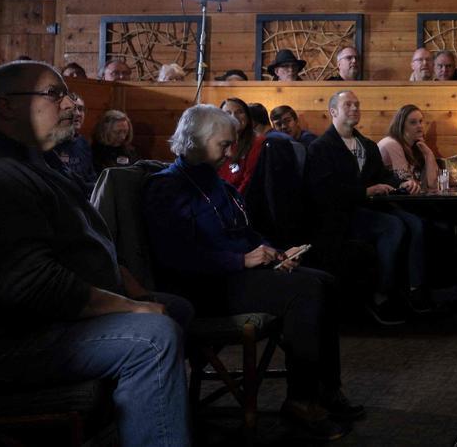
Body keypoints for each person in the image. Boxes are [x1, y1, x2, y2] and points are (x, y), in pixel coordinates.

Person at [0, 61, 190, 447]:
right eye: (55, 94)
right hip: (1, 343)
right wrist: (132, 309)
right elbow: (34, 286)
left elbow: (88, 243)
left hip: (47, 322)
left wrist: (137, 295)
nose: (72, 104)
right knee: (153, 337)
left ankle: (150, 419)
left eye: (68, 95)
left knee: (175, 307)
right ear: (6, 106)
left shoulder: (34, 158)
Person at [143, 104, 359, 440]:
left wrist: (274, 254)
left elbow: (244, 234)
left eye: (232, 144)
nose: (231, 152)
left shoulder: (216, 184)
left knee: (325, 281)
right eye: (223, 145)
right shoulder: (167, 187)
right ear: (195, 141)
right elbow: (175, 256)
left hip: (234, 276)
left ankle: (325, 388)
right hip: (202, 288)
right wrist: (241, 261)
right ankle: (301, 399)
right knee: (306, 291)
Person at [304, 91, 431, 324]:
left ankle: (410, 292)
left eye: (357, 104)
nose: (354, 108)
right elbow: (323, 190)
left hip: (369, 209)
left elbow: (381, 176)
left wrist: (402, 182)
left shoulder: (367, 145)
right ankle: (380, 295)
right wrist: (364, 191)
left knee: (414, 223)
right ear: (333, 111)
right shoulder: (320, 147)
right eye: (348, 104)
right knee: (392, 226)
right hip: (339, 215)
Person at [377, 105, 439, 192]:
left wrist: (428, 154)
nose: (420, 126)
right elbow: (408, 185)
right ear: (401, 126)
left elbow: (433, 185)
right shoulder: (391, 144)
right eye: (413, 122)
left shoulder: (416, 147)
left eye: (420, 121)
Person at [52, 92, 97, 193]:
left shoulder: (83, 143)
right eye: (71, 109)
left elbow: (91, 178)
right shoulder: (48, 144)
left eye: (80, 109)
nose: (77, 114)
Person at [218, 97, 265, 194]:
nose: (234, 117)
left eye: (239, 112)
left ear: (248, 117)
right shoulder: (216, 142)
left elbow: (249, 182)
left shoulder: (257, 142)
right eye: (228, 113)